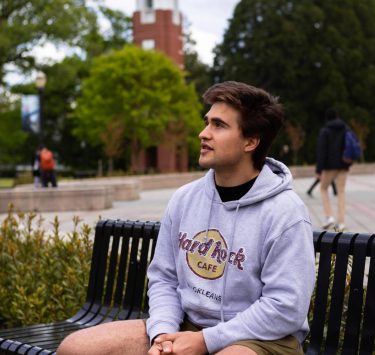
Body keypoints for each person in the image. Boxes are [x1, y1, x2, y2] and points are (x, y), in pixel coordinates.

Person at [57, 81, 316, 355]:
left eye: (219, 125)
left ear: (251, 141)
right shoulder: (185, 198)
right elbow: (164, 279)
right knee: (75, 349)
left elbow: (285, 307)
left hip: (261, 338)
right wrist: (163, 336)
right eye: (207, 123)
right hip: (186, 326)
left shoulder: (285, 212)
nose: (203, 133)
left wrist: (205, 341)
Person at [316, 108, 351, 230]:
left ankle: (329, 217)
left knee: (323, 188)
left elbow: (321, 151)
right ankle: (341, 223)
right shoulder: (346, 129)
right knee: (341, 191)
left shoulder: (325, 131)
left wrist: (319, 170)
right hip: (344, 165)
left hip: (329, 166)